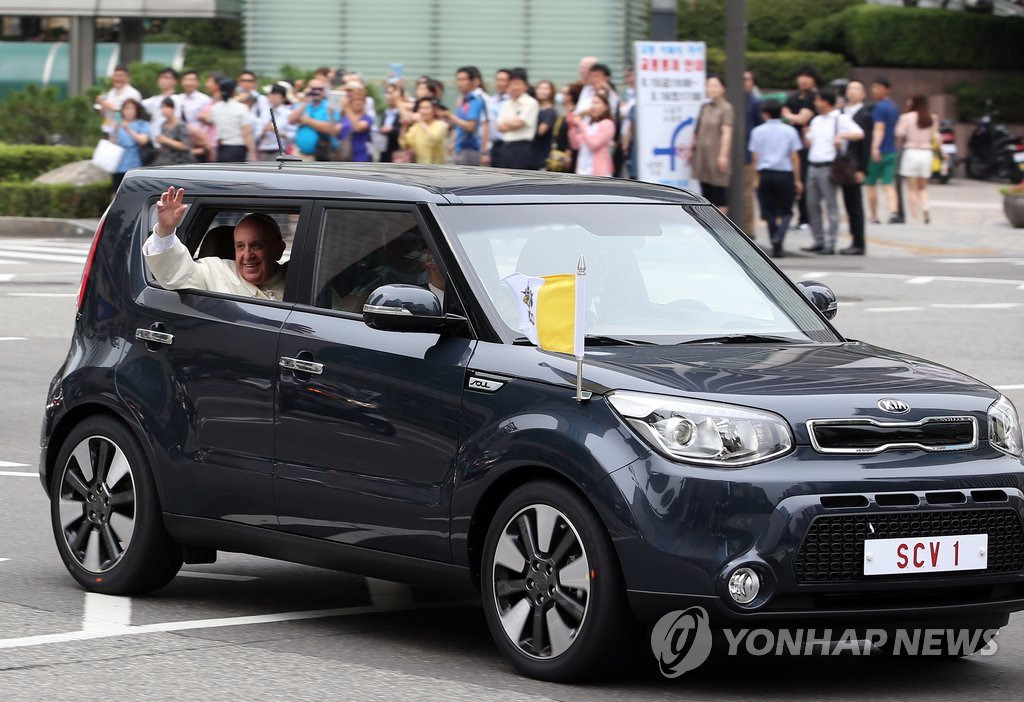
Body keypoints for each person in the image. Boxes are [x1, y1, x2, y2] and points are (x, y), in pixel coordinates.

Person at [144, 187, 286, 300]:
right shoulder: (216, 271)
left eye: (256, 246)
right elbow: (177, 273)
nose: (247, 255)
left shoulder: (301, 279)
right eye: (240, 246)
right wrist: (165, 230)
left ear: (278, 250)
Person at [802, 90, 864, 255]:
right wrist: (806, 137)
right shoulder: (816, 120)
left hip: (829, 166)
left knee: (831, 206)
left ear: (825, 101)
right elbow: (811, 144)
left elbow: (859, 133)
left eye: (817, 100)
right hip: (813, 165)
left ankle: (830, 242)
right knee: (812, 204)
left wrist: (841, 135)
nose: (815, 103)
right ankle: (818, 240)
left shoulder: (839, 118)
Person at [750, 100, 804, 258]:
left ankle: (775, 242)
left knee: (769, 211)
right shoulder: (790, 131)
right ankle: (779, 237)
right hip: (784, 174)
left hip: (765, 173)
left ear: (765, 113)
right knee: (787, 211)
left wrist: (755, 179)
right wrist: (798, 179)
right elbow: (795, 157)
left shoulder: (757, 131)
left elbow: (755, 157)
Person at [685, 75, 734, 213]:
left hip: (716, 155)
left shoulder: (726, 108)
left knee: (719, 192)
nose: (711, 89)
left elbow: (727, 132)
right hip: (702, 155)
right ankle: (707, 225)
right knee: (705, 191)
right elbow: (697, 130)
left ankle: (721, 228)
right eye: (709, 85)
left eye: (715, 85)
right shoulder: (704, 107)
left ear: (723, 88)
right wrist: (690, 149)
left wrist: (723, 155)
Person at [782, 65, 820, 229]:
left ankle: (806, 218)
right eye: (801, 76)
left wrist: (790, 116)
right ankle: (796, 217)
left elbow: (802, 119)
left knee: (804, 181)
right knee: (792, 182)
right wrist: (794, 118)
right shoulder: (794, 97)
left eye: (807, 77)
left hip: (808, 147)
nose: (803, 80)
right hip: (792, 145)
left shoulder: (814, 97)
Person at [839, 79, 873, 255]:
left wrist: (862, 169)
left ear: (863, 94)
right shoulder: (841, 112)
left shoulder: (864, 115)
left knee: (855, 204)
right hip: (842, 164)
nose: (852, 92)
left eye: (856, 89)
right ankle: (854, 241)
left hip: (855, 165)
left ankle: (859, 243)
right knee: (847, 203)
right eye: (850, 88)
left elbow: (866, 145)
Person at [896, 94, 940, 225]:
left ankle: (914, 215)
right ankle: (926, 207)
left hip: (911, 152)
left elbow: (899, 133)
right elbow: (936, 137)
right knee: (923, 188)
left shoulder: (906, 117)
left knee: (912, 188)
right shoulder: (932, 118)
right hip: (926, 153)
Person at [867, 76, 901, 224]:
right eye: (873, 87)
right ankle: (894, 212)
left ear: (887, 89)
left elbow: (879, 128)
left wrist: (875, 147)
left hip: (879, 151)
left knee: (871, 183)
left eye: (878, 88)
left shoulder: (879, 107)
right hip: (891, 150)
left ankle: (874, 216)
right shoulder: (894, 106)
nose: (874, 91)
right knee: (888, 183)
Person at [496, 69, 539, 170]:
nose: (515, 87)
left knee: (518, 183)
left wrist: (508, 124)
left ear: (526, 86)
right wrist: (512, 123)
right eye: (512, 84)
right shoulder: (506, 103)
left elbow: (519, 123)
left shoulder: (530, 102)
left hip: (522, 148)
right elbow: (499, 127)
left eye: (518, 84)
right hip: (505, 147)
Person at [289, 77, 338, 161]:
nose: (317, 92)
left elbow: (329, 128)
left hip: (322, 156)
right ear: (307, 89)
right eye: (313, 89)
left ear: (324, 91)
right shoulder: (302, 104)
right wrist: (305, 102)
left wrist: (308, 121)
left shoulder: (330, 106)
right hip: (300, 155)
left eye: (320, 89)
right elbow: (291, 120)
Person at [568, 92, 616, 177]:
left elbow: (594, 144)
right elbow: (575, 145)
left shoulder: (607, 123)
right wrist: (573, 126)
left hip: (599, 173)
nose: (593, 106)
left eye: (596, 103)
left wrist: (580, 124)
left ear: (606, 107)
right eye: (591, 103)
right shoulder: (589, 125)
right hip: (582, 171)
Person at [108, 98, 151, 193]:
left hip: (135, 162)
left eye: (132, 108)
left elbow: (143, 141)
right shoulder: (116, 124)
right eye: (126, 108)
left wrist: (128, 129)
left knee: (134, 191)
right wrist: (114, 131)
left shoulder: (142, 124)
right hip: (118, 164)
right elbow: (111, 143)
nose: (129, 111)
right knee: (116, 191)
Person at [208, 79, 256, 163]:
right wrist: (252, 153)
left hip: (221, 148)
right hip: (237, 148)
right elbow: (246, 133)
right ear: (234, 91)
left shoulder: (215, 108)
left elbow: (209, 120)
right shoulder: (242, 108)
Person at [445, 67, 486, 166]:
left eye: (463, 79)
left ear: (472, 82)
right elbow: (459, 127)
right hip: (460, 148)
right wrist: (452, 143)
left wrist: (450, 116)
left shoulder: (474, 100)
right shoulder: (464, 100)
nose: (460, 83)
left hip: (470, 148)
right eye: (458, 79)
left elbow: (470, 126)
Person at [742, 70, 764, 237]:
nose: (744, 82)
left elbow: (759, 128)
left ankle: (748, 229)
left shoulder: (755, 102)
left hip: (747, 154)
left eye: (747, 79)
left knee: (746, 193)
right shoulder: (732, 100)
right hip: (730, 155)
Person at [95, 65, 143, 134]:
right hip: (107, 129)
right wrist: (101, 105)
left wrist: (109, 107)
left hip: (124, 131)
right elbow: (106, 115)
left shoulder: (133, 93)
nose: (118, 78)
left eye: (121, 76)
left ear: (128, 78)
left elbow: (132, 115)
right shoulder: (111, 92)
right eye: (116, 75)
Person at [142, 68, 181, 152]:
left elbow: (176, 122)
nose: (163, 80)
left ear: (175, 81)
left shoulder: (176, 99)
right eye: (161, 77)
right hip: (152, 144)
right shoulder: (155, 99)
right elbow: (137, 104)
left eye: (167, 78)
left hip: (167, 145)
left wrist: (168, 140)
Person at [400, 98, 449, 164]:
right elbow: (405, 144)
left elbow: (434, 139)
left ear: (434, 110)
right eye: (420, 108)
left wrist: (420, 121)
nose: (422, 111)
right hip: (421, 168)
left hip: (437, 169)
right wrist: (404, 126)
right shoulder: (416, 127)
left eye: (426, 108)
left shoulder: (440, 125)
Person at [258, 83, 296, 160]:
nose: (272, 97)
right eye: (271, 94)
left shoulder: (288, 113)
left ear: (283, 98)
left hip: (280, 150)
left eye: (276, 95)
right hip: (264, 149)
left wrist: (277, 131)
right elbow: (256, 134)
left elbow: (293, 135)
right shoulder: (265, 113)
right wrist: (262, 132)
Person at [336, 84, 374, 162]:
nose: (358, 102)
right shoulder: (344, 117)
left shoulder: (367, 118)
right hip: (344, 157)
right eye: (355, 100)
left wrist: (346, 108)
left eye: (361, 100)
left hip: (360, 158)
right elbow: (334, 131)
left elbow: (358, 127)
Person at [153, 97, 194, 166]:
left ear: (173, 108)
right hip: (166, 159)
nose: (164, 110)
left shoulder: (180, 125)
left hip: (180, 161)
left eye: (166, 107)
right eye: (162, 108)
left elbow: (186, 146)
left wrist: (166, 140)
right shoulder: (163, 125)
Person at [485, 69, 511, 167]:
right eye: (498, 80)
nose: (500, 83)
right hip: (494, 146)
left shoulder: (513, 101)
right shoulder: (491, 101)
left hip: (508, 145)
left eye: (503, 80)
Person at [532, 80, 558, 170]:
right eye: (540, 88)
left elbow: (541, 131)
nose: (542, 91)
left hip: (541, 155)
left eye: (546, 89)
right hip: (529, 154)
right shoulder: (533, 107)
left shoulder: (550, 111)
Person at [379, 82, 405, 162]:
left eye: (391, 93)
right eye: (387, 93)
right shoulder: (386, 112)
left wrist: (392, 129)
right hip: (385, 154)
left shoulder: (403, 112)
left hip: (399, 156)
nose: (388, 96)